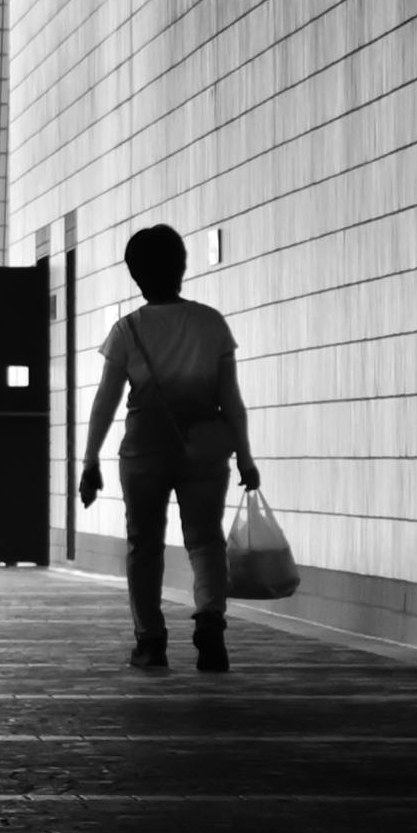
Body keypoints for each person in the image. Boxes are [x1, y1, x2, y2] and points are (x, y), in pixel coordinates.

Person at [76, 226, 255, 669]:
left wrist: (90, 458)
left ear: (136, 276)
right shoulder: (211, 323)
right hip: (206, 450)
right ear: (182, 266)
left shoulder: (127, 330)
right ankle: (210, 620)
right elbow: (231, 399)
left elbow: (106, 401)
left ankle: (150, 641)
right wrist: (246, 457)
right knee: (205, 541)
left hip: (144, 451)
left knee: (144, 545)